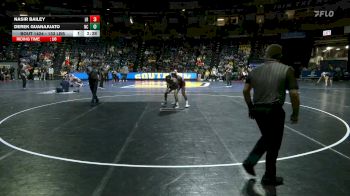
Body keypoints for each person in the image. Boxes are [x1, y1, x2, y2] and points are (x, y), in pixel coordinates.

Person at [242, 44, 300, 186]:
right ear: (279, 56)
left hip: (258, 111)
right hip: (274, 111)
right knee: (274, 144)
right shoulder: (287, 70)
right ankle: (268, 176)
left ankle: (251, 162)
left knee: (267, 139)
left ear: (266, 56)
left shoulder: (254, 71)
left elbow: (245, 91)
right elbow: (294, 94)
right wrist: (295, 113)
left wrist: (251, 107)